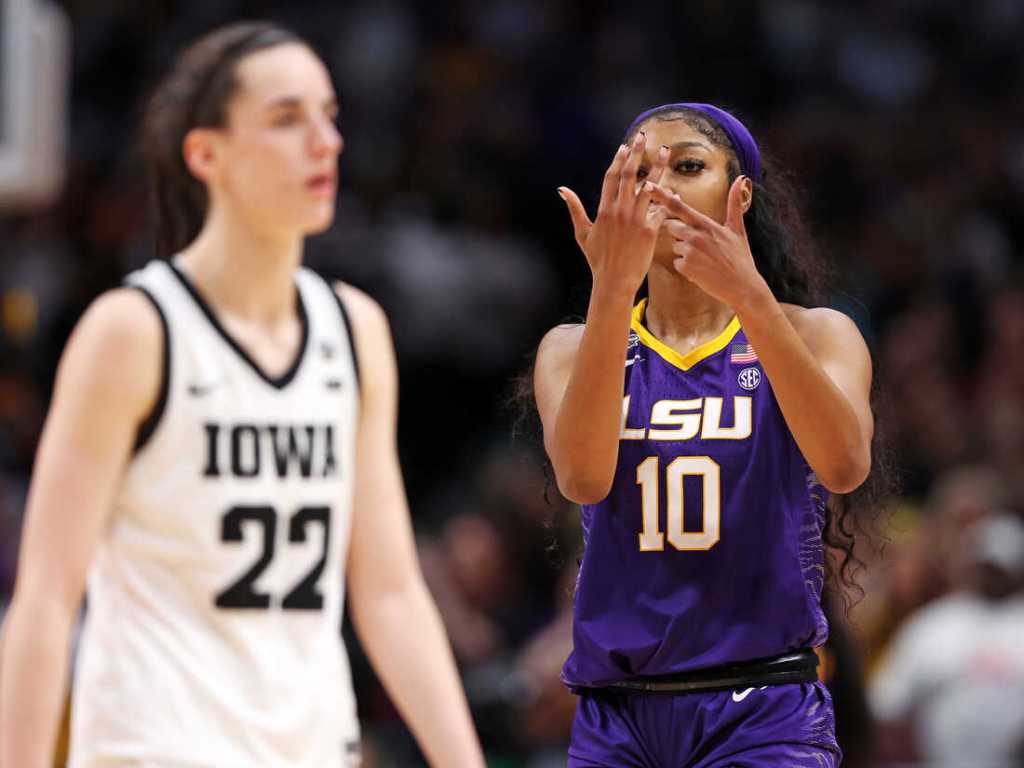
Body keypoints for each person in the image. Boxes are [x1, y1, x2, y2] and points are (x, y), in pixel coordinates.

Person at [0, 22, 485, 768]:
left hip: (311, 746)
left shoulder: (354, 330)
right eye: (287, 119)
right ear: (207, 154)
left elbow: (389, 592)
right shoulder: (134, 331)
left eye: (329, 116)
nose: (325, 142)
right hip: (156, 747)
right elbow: (45, 597)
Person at [533, 103, 875, 766]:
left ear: (738, 194)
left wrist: (749, 297)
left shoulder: (817, 333)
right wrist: (612, 289)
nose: (658, 186)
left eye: (687, 166)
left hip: (763, 703)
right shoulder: (570, 348)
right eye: (639, 171)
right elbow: (582, 478)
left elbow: (844, 465)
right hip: (617, 715)